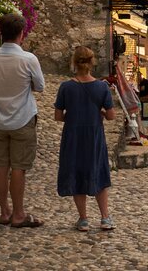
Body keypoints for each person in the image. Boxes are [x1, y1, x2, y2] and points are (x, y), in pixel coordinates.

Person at [0, 13, 45, 229]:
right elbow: (39, 86)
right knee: (18, 167)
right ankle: (19, 214)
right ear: (22, 34)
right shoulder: (28, 59)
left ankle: (5, 212)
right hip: (22, 118)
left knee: (1, 165)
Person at [54, 46, 116, 231]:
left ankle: (83, 219)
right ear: (92, 63)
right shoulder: (101, 87)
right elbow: (111, 116)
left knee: (76, 172)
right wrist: (101, 112)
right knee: (98, 172)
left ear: (74, 63)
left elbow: (58, 116)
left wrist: (73, 117)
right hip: (94, 135)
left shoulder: (66, 87)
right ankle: (105, 217)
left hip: (73, 136)